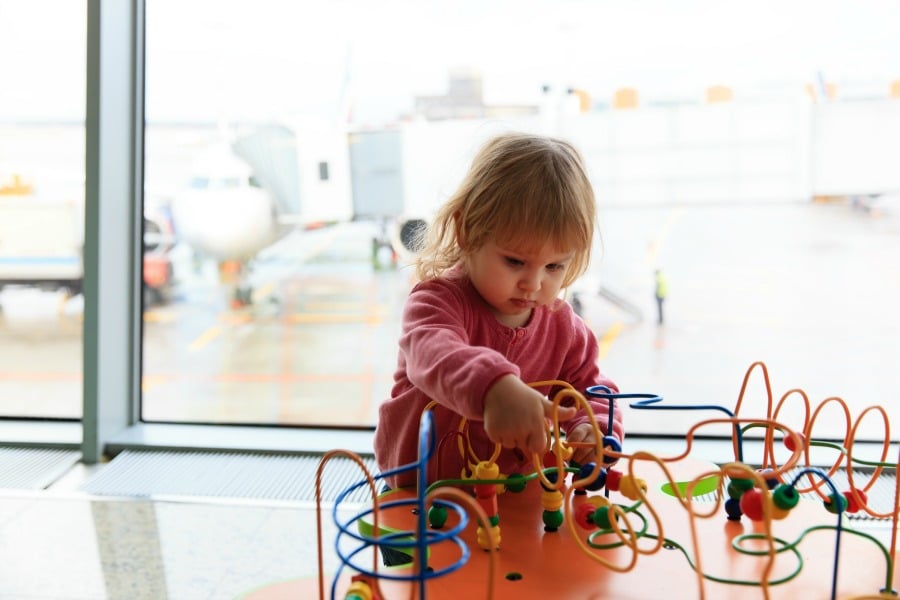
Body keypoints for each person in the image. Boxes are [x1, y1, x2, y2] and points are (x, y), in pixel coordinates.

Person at [374, 132, 624, 491]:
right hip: (419, 497)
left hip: (509, 495)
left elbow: (590, 387)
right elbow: (434, 352)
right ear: (466, 232)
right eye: (515, 261)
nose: (534, 284)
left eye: (554, 266)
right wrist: (494, 388)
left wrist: (593, 428)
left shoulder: (564, 328)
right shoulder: (435, 302)